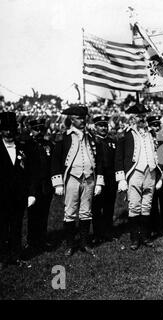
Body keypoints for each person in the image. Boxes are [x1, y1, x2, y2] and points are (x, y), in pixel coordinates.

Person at [51, 105, 104, 257]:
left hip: (89, 178)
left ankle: (84, 243)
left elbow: (98, 159)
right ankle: (70, 244)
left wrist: (99, 180)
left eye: (84, 118)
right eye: (79, 118)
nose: (83, 121)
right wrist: (58, 183)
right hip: (72, 178)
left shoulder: (90, 136)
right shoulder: (64, 137)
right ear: (71, 120)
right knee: (70, 212)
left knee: (86, 212)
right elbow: (55, 160)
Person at [115, 103, 162, 250]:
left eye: (143, 116)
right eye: (138, 116)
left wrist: (158, 175)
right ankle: (135, 239)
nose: (141, 119)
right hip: (134, 173)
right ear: (133, 118)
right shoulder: (126, 134)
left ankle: (146, 237)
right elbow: (119, 157)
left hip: (150, 172)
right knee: (134, 206)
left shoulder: (151, 133)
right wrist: (121, 179)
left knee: (146, 206)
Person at [0, 111, 38, 270]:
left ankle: (15, 256)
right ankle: (2, 258)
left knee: (16, 227)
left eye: (11, 129)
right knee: (1, 227)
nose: (9, 133)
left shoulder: (23, 147)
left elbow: (30, 172)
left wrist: (31, 193)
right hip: (1, 197)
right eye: (5, 129)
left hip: (19, 196)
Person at [25, 118, 55, 257]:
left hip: (46, 185)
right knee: (33, 215)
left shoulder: (48, 144)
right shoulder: (27, 145)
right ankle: (31, 241)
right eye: (36, 129)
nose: (39, 132)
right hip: (33, 185)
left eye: (41, 129)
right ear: (30, 130)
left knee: (44, 214)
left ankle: (42, 240)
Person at [91, 115, 117, 244]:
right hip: (98, 179)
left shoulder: (112, 141)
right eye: (100, 125)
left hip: (111, 179)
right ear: (95, 127)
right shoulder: (93, 142)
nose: (103, 128)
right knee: (96, 208)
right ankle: (97, 234)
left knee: (109, 207)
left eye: (105, 125)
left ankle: (108, 232)